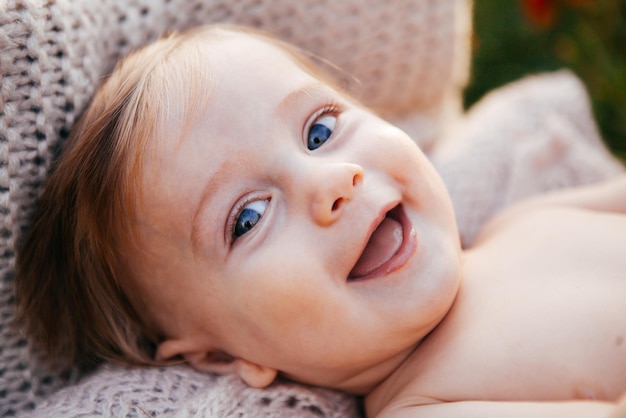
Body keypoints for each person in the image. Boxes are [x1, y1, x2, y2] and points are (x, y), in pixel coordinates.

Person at [14, 24, 626, 417]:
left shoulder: (522, 224)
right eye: (248, 217)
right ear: (224, 358)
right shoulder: (432, 404)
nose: (331, 183)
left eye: (321, 129)